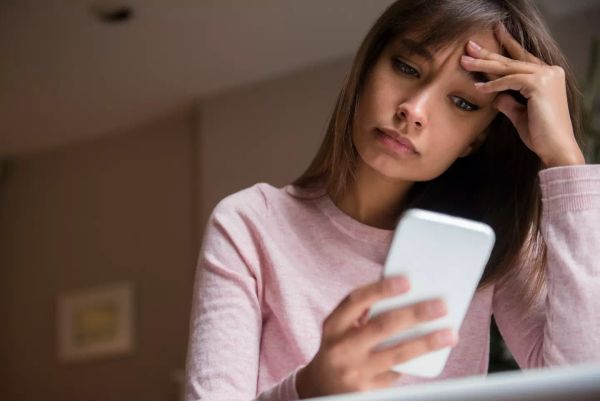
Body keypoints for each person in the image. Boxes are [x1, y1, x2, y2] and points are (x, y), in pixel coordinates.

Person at [184, 1, 600, 400]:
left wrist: (564, 158)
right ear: (365, 68)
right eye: (407, 67)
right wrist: (308, 389)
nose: (413, 110)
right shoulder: (250, 224)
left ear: (476, 139)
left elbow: (579, 384)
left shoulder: (492, 239)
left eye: (462, 102)